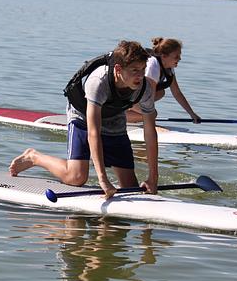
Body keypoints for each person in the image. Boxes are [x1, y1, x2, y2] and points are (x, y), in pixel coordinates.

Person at [9, 40, 158, 199]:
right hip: (82, 115)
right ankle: (33, 157)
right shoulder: (98, 82)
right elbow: (93, 132)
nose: (140, 75)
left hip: (114, 117)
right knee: (76, 177)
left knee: (131, 188)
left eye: (143, 69)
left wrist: (153, 177)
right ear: (118, 69)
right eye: (134, 70)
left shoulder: (145, 88)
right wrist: (103, 179)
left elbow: (150, 132)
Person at [126, 37, 201, 124]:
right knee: (152, 114)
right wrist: (151, 121)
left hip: (135, 96)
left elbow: (177, 93)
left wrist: (191, 114)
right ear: (164, 56)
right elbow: (149, 95)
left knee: (161, 93)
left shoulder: (169, 67)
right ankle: (116, 115)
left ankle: (128, 112)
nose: (180, 59)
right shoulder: (153, 66)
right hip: (125, 96)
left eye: (180, 56)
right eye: (176, 56)